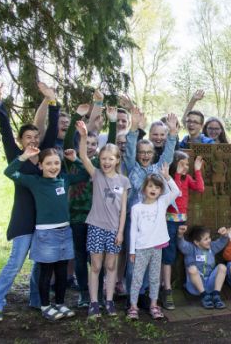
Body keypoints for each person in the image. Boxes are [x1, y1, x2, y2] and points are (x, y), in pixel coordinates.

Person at [0, 76, 58, 322]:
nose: (33, 141)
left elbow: (55, 121)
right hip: (23, 220)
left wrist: (52, 99)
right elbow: (5, 129)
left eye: (36, 138)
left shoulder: (45, 156)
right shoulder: (17, 157)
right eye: (28, 138)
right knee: (16, 263)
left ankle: (36, 299)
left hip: (44, 222)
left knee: (40, 264)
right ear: (21, 141)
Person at [4, 147, 88, 321]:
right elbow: (9, 172)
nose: (53, 167)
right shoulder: (34, 181)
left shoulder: (63, 179)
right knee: (46, 272)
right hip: (46, 234)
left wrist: (75, 160)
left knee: (62, 271)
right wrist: (24, 157)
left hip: (65, 231)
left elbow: (84, 175)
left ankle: (59, 303)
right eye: (48, 163)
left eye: (57, 163)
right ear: (40, 165)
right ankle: (45, 306)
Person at [63, 104, 118, 307]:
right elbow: (68, 142)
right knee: (79, 255)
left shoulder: (102, 165)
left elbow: (111, 146)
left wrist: (112, 122)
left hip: (98, 218)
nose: (92, 146)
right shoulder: (72, 161)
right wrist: (77, 117)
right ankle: (84, 293)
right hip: (78, 216)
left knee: (96, 257)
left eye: (95, 143)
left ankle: (99, 293)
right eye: (89, 142)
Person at [75, 121, 130, 318]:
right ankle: (94, 303)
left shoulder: (124, 181)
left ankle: (109, 301)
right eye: (103, 158)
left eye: (110, 159)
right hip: (96, 227)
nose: (106, 162)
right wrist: (82, 136)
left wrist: (121, 232)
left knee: (111, 266)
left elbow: (123, 209)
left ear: (117, 160)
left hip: (115, 230)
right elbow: (82, 156)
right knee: (96, 266)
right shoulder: (96, 175)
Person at [124, 109, 178, 299]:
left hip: (155, 222)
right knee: (134, 262)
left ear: (153, 154)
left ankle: (146, 294)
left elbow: (168, 156)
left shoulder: (158, 169)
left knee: (150, 262)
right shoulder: (132, 168)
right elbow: (129, 150)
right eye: (142, 152)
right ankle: (133, 297)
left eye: (149, 152)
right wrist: (133, 128)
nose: (145, 155)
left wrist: (172, 134)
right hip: (136, 221)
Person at [127, 165, 181, 320]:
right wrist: (132, 251)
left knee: (154, 278)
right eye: (150, 186)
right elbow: (133, 232)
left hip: (157, 247)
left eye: (157, 187)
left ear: (160, 191)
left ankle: (153, 305)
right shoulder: (137, 208)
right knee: (137, 278)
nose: (153, 189)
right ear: (144, 188)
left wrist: (167, 177)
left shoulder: (162, 203)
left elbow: (176, 192)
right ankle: (133, 306)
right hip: (141, 249)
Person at [160, 152, 205, 310]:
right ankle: (166, 289)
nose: (186, 167)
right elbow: (176, 192)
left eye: (187, 164)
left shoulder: (186, 179)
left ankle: (171, 283)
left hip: (182, 221)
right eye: (182, 164)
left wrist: (197, 170)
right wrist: (177, 174)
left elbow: (200, 188)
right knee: (169, 253)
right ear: (175, 164)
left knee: (178, 251)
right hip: (170, 221)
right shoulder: (169, 179)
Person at [177, 225, 230, 309]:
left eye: (209, 238)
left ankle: (216, 295)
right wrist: (180, 235)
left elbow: (222, 242)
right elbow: (182, 244)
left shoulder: (212, 247)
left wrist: (224, 235)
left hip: (210, 284)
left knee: (222, 267)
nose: (209, 240)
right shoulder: (191, 249)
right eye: (206, 239)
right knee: (192, 269)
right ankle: (204, 296)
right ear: (197, 242)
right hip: (195, 287)